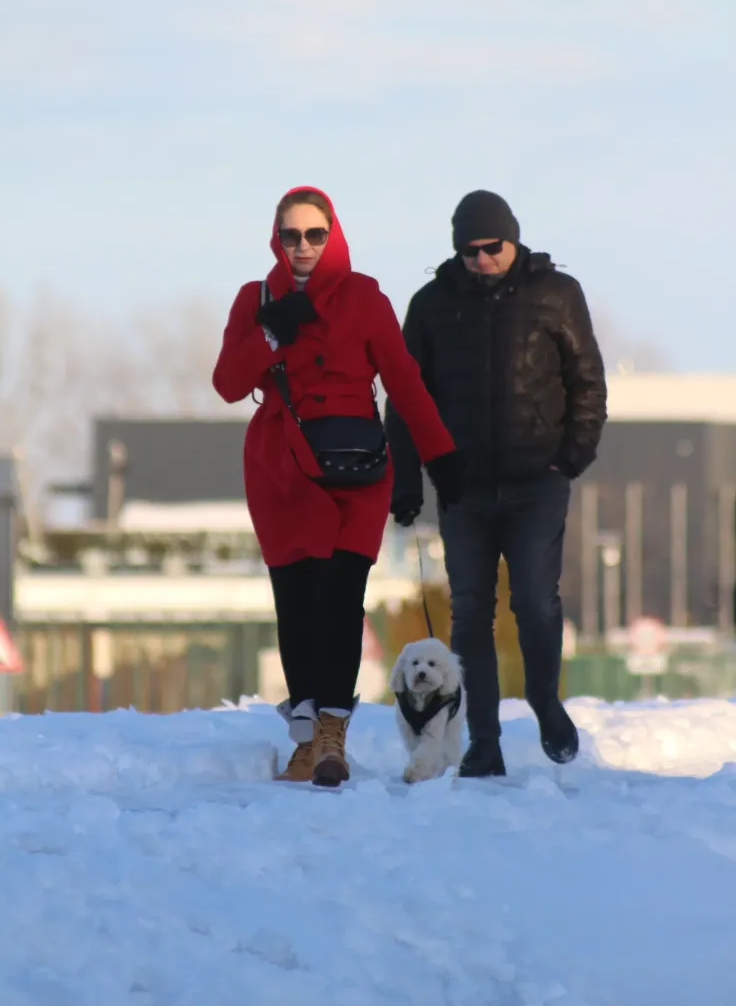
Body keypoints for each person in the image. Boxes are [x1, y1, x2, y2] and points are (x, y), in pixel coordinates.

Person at [212, 186, 465, 787]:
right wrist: (272, 335)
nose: (303, 247)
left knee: (340, 600)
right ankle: (304, 739)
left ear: (334, 234)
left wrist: (440, 456)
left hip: (356, 470)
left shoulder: (364, 296)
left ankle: (331, 734)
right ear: (277, 238)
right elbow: (226, 382)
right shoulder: (257, 299)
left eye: (315, 234)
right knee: (296, 603)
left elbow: (403, 381)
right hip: (282, 469)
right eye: (292, 235)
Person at [385, 190, 607, 777]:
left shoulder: (557, 294)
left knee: (535, 601)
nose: (480, 259)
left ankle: (543, 701)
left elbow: (588, 382)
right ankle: (484, 738)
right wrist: (406, 481)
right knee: (469, 613)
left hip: (538, 480)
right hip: (464, 488)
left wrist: (570, 459)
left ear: (514, 240)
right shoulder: (431, 305)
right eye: (468, 251)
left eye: (492, 248)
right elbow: (406, 399)